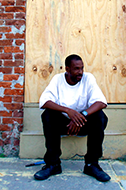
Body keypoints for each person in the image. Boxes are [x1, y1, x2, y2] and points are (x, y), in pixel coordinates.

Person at [34, 54, 111, 182]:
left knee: (99, 116)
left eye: (82, 68)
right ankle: (53, 164)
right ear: (67, 69)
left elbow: (101, 102)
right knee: (48, 114)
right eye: (76, 69)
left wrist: (81, 116)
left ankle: (92, 164)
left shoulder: (88, 79)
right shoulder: (58, 79)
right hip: (63, 125)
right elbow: (44, 101)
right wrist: (67, 111)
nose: (80, 72)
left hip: (83, 124)